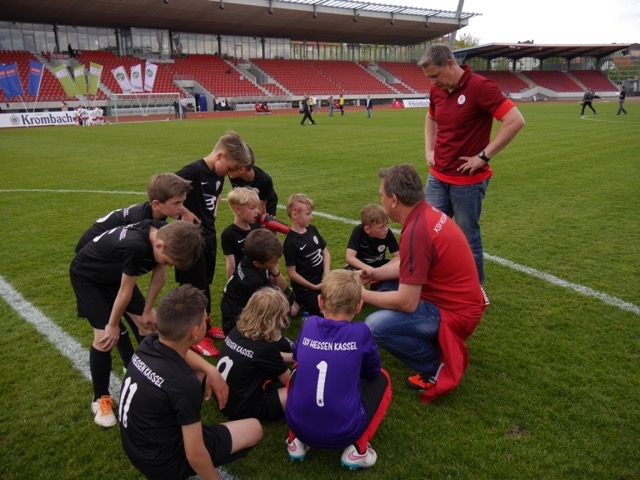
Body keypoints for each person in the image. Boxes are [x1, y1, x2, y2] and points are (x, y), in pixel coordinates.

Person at [361, 164, 489, 403]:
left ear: (394, 200)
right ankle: (432, 344)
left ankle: (435, 365)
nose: (381, 200)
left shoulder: (417, 231)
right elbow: (411, 264)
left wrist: (360, 294)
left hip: (456, 314)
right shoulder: (426, 214)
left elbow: (407, 303)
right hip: (463, 303)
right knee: (385, 285)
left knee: (374, 326)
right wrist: (375, 273)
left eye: (382, 195)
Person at [119, 285, 263, 480]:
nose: (207, 321)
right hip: (163, 463)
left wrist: (210, 369)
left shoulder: (149, 342)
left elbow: (183, 355)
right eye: (205, 320)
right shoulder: (183, 383)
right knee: (254, 428)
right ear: (195, 333)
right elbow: (195, 455)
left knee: (200, 374)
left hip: (135, 448)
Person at [70, 219, 203, 427]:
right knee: (104, 338)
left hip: (115, 275)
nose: (168, 265)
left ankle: (156, 375)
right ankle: (100, 398)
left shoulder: (162, 233)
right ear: (159, 245)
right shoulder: (136, 246)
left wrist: (148, 309)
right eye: (169, 261)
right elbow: (125, 290)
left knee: (148, 325)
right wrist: (112, 324)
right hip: (88, 277)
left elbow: (159, 275)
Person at [419, 44, 525, 284]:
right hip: (438, 176)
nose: (433, 82)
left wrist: (484, 156)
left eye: (436, 75)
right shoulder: (436, 90)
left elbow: (515, 120)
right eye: (429, 78)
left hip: (467, 182)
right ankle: (432, 284)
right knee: (429, 231)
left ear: (450, 64)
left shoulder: (480, 87)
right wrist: (429, 148)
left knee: (468, 237)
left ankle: (475, 292)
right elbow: (430, 117)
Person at [285, 269, 392, 470]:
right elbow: (372, 371)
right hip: (345, 432)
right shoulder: (361, 332)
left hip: (297, 425)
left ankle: (295, 441)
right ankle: (358, 450)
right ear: (359, 305)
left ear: (320, 302)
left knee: (297, 369)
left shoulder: (309, 324)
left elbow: (297, 356)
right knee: (382, 378)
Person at [175, 130, 253, 357]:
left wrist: (214, 210)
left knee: (205, 283)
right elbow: (163, 191)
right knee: (193, 288)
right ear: (220, 156)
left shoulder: (218, 174)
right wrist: (185, 213)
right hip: (189, 239)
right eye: (229, 168)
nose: (229, 173)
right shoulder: (193, 171)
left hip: (208, 235)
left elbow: (215, 193)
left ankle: (206, 327)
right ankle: (193, 336)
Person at [216, 287, 292, 421]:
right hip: (242, 408)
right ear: (274, 319)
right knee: (297, 392)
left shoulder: (237, 330)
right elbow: (290, 381)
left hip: (223, 397)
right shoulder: (266, 348)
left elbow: (260, 356)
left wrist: (294, 357)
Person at [221, 228, 298, 339]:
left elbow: (283, 289)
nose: (277, 263)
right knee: (280, 306)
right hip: (236, 327)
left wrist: (274, 270)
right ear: (257, 263)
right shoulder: (253, 280)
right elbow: (282, 296)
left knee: (290, 304)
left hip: (239, 312)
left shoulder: (252, 259)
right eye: (273, 262)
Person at [283, 193, 331, 316]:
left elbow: (325, 252)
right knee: (327, 312)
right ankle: (297, 299)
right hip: (307, 289)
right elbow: (292, 273)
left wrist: (326, 273)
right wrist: (313, 287)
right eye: (308, 214)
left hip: (322, 280)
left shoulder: (312, 229)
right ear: (295, 215)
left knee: (343, 299)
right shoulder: (290, 242)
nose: (311, 217)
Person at [345, 204, 399, 291]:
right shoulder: (358, 231)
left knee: (400, 269)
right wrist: (368, 269)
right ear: (367, 229)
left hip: (380, 265)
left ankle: (382, 288)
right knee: (343, 280)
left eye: (386, 225)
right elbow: (350, 257)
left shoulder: (387, 232)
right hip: (360, 266)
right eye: (381, 227)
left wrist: (379, 271)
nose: (386, 229)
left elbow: (398, 256)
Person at [221, 187, 261, 279]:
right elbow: (231, 266)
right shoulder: (229, 234)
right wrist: (231, 284)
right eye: (252, 208)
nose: (257, 211)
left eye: (257, 207)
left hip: (260, 276)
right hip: (243, 280)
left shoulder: (257, 227)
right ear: (238, 210)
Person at [229, 146, 279, 216]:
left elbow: (262, 208)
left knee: (263, 220)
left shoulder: (264, 180)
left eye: (230, 168)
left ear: (242, 170)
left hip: (267, 203)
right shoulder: (234, 175)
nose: (227, 170)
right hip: (249, 201)